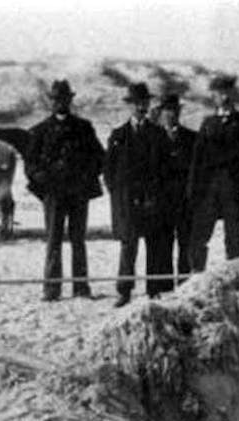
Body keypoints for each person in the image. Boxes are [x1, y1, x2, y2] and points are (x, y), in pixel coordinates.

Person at [25, 79, 105, 301]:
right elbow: (30, 166)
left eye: (65, 99)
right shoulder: (39, 132)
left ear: (70, 101)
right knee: (53, 241)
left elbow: (99, 157)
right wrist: (46, 182)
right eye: (56, 99)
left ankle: (81, 287)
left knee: (78, 240)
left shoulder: (84, 128)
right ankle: (51, 289)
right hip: (54, 195)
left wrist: (85, 175)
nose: (61, 103)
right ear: (51, 102)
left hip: (78, 194)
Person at [104, 82, 170, 307]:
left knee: (154, 246)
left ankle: (154, 290)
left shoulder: (159, 135)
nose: (141, 107)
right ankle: (124, 291)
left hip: (152, 201)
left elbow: (165, 169)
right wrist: (120, 196)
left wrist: (156, 195)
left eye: (145, 103)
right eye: (137, 104)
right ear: (130, 106)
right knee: (128, 246)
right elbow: (109, 172)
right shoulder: (118, 135)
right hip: (128, 204)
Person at [186, 74, 239, 272]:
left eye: (227, 92)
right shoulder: (208, 123)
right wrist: (194, 189)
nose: (224, 97)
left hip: (233, 188)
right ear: (214, 96)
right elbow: (197, 160)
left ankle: (234, 274)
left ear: (233, 94)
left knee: (233, 236)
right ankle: (197, 274)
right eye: (219, 93)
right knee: (200, 234)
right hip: (208, 189)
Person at [157, 92, 197, 283]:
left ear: (179, 112)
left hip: (184, 201)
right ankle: (165, 286)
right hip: (162, 201)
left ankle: (184, 283)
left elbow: (197, 171)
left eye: (174, 110)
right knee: (163, 244)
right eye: (167, 111)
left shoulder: (191, 138)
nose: (171, 114)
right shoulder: (153, 138)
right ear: (161, 113)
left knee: (185, 243)